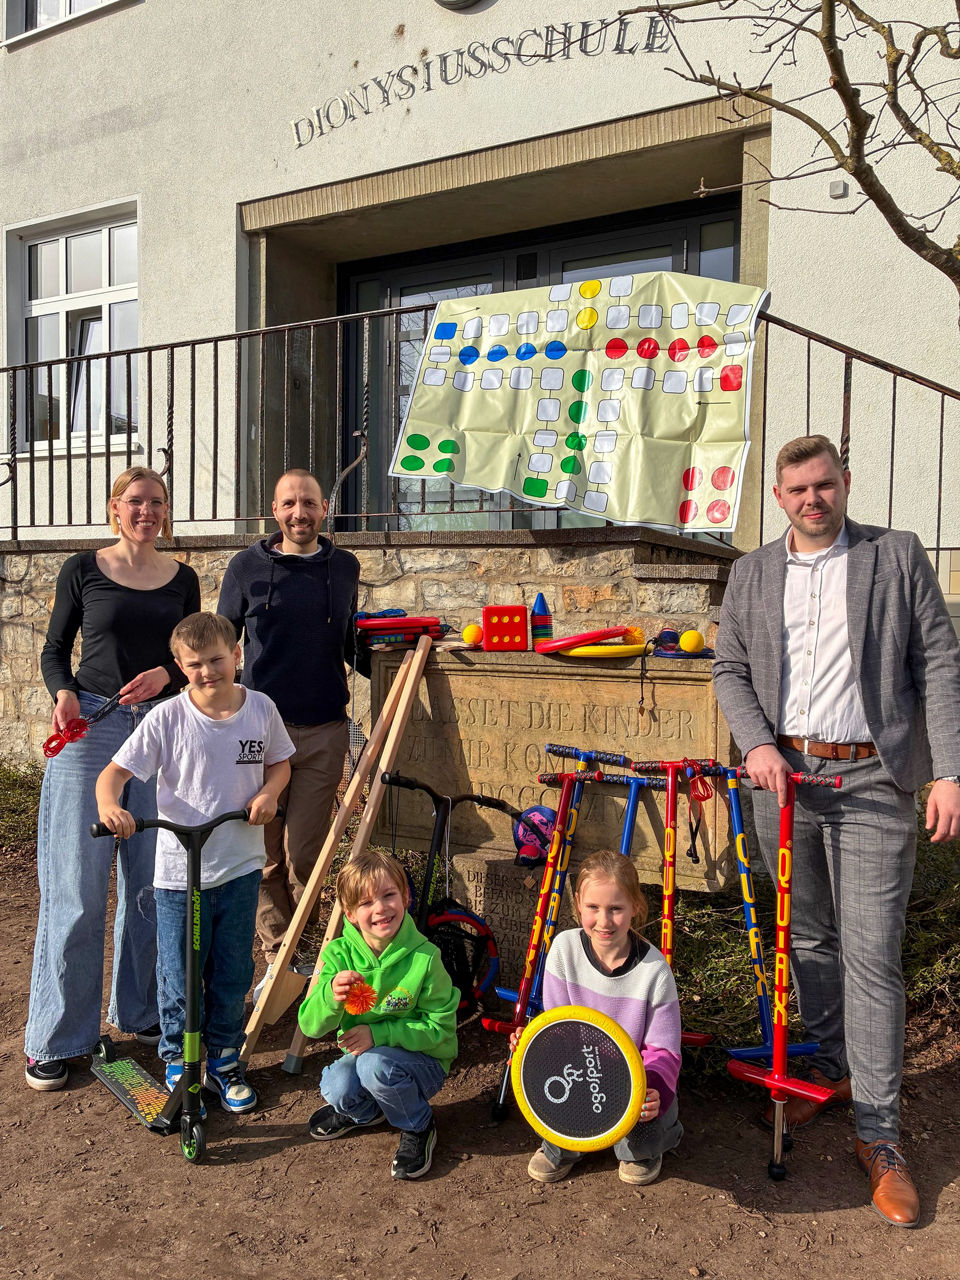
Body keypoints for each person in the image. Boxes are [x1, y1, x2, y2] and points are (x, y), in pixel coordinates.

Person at [713, 433, 960, 1228]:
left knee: (872, 955)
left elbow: (940, 660)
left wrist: (950, 771)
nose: (812, 499)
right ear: (779, 498)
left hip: (872, 781)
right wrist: (754, 744)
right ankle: (829, 1066)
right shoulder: (751, 573)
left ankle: (881, 1135)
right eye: (797, 490)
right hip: (784, 780)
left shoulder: (896, 555)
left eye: (824, 485)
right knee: (810, 939)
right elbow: (729, 668)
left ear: (843, 484)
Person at [25, 466, 200, 1092]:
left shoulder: (184, 580)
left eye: (156, 502)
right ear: (113, 509)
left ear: (166, 512)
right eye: (135, 502)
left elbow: (195, 661)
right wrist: (63, 692)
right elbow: (53, 650)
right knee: (74, 888)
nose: (146, 512)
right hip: (91, 730)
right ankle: (56, 1037)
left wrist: (168, 678)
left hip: (159, 732)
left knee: (152, 885)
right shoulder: (82, 569)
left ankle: (140, 1012)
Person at [95, 613, 294, 1113]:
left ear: (237, 656)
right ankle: (180, 1061)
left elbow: (280, 761)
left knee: (231, 971)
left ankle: (225, 1060)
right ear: (181, 667)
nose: (208, 671)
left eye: (217, 660)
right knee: (179, 972)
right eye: (196, 664)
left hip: (240, 864)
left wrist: (270, 793)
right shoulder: (167, 717)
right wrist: (111, 807)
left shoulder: (261, 710)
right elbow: (112, 775)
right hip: (179, 875)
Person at [217, 470, 369, 991]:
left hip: (325, 726)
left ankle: (307, 956)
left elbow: (351, 643)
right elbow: (222, 642)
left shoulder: (344, 566)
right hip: (259, 730)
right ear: (274, 509)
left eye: (308, 502)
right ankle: (277, 957)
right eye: (289, 503)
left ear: (324, 508)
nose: (299, 513)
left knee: (308, 855)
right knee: (262, 856)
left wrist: (399, 654)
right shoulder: (246, 567)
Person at [519, 849, 683, 1186]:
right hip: (576, 1069)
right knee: (552, 1100)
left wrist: (652, 1091)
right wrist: (531, 1041)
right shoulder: (564, 950)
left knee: (645, 1131)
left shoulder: (654, 970)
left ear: (636, 907)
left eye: (616, 909)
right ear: (578, 903)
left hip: (631, 1077)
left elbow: (664, 1050)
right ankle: (564, 1143)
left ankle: (651, 1142)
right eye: (593, 908)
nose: (604, 921)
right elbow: (557, 1027)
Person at [297, 850, 459, 1180]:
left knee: (374, 1065)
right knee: (337, 1086)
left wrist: (379, 1035)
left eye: (388, 896)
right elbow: (309, 1025)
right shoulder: (338, 955)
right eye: (367, 903)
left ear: (406, 897)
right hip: (368, 1061)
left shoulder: (425, 959)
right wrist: (331, 996)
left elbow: (440, 1029)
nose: (381, 908)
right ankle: (369, 1112)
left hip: (424, 1064)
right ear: (350, 914)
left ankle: (418, 1124)